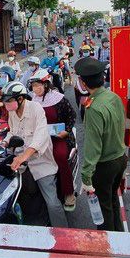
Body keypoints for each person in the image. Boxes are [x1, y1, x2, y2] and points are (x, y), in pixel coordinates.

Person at [0, 82, 68, 228]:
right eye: (5, 101)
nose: (7, 104)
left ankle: (63, 232)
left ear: (20, 99)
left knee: (52, 202)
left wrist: (24, 156)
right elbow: (12, 132)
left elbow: (40, 136)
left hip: (41, 161)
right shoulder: (12, 112)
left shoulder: (36, 108)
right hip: (20, 160)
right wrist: (4, 143)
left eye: (9, 101)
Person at [74, 57, 127, 232]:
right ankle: (119, 239)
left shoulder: (94, 108)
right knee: (111, 201)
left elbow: (93, 146)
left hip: (104, 165)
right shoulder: (113, 97)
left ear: (83, 83)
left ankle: (107, 247)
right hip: (120, 159)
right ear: (103, 78)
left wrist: (86, 176)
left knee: (103, 211)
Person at [28, 70, 77, 212]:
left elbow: (71, 116)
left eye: (38, 85)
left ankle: (68, 193)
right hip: (39, 137)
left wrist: (66, 131)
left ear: (46, 84)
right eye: (33, 86)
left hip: (58, 138)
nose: (35, 89)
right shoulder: (32, 100)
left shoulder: (59, 99)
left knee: (60, 156)